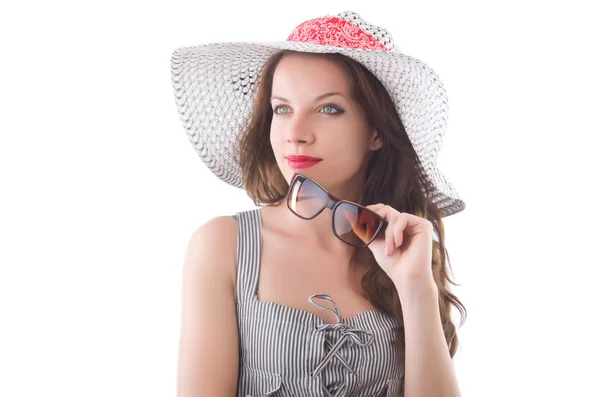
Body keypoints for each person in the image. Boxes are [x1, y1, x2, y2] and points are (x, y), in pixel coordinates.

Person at [171, 10, 466, 397]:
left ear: (376, 131)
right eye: (282, 109)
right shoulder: (224, 245)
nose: (295, 134)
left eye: (328, 109)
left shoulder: (407, 248)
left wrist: (415, 287)